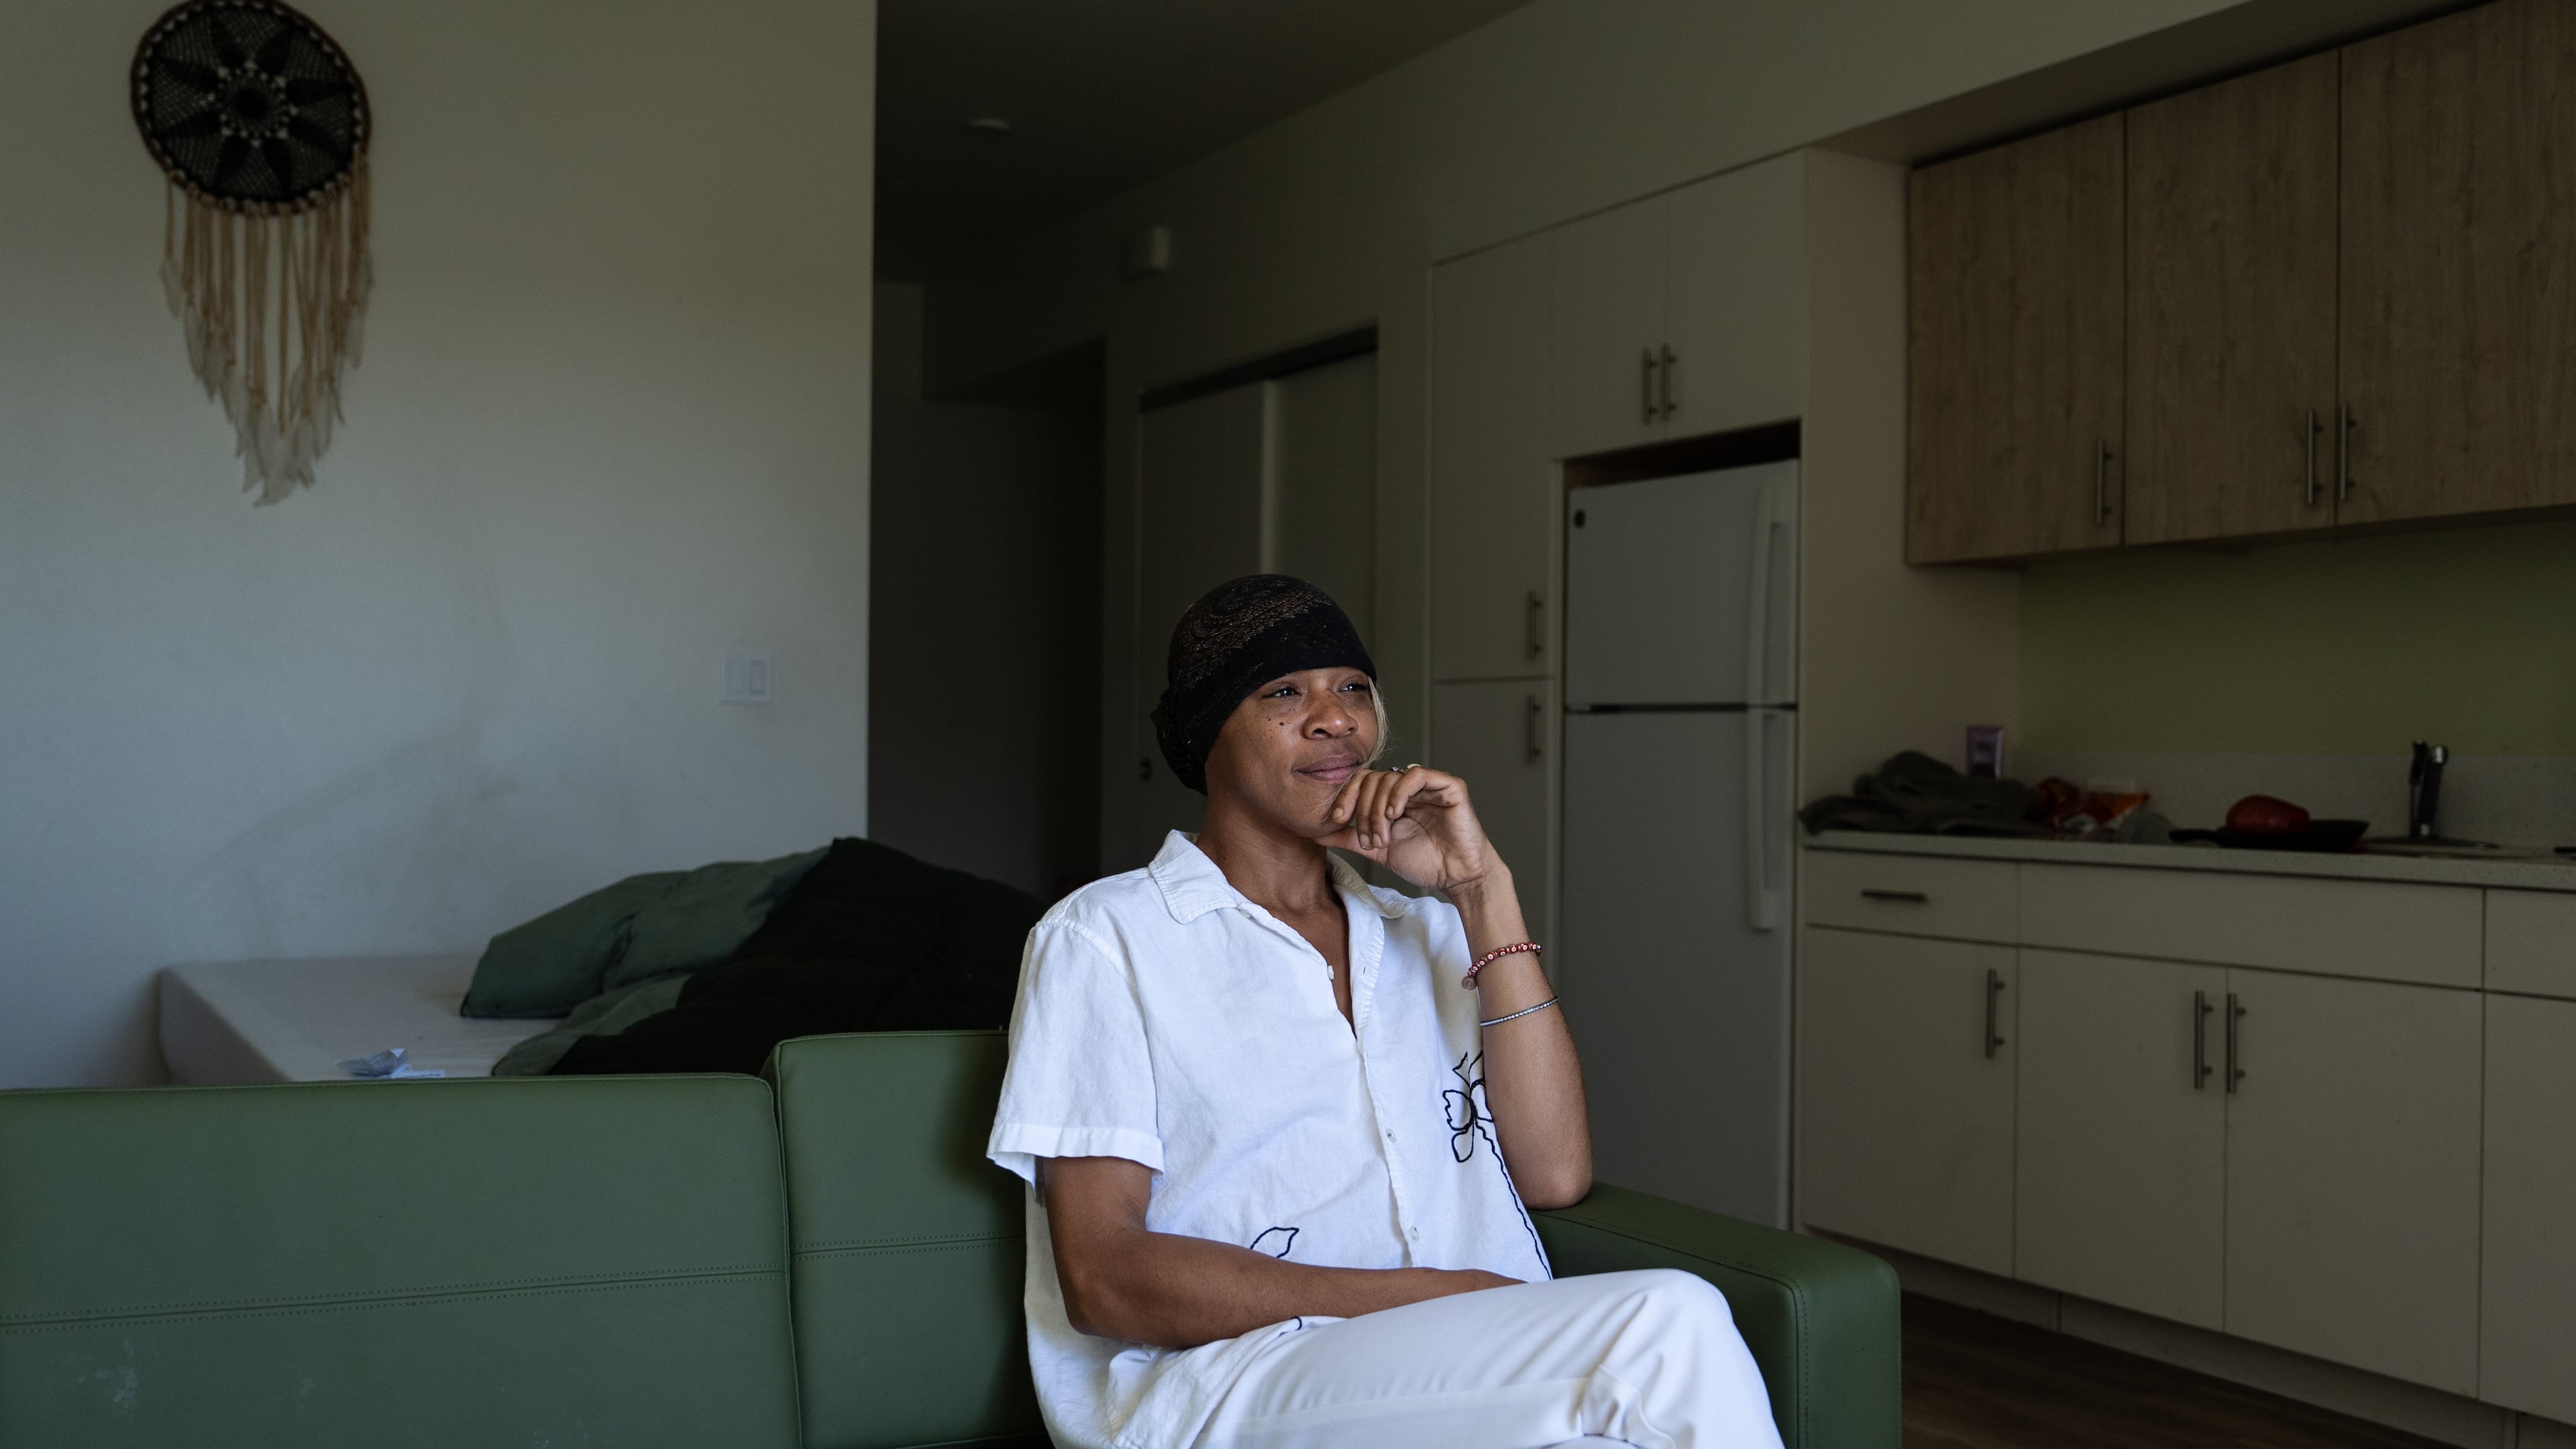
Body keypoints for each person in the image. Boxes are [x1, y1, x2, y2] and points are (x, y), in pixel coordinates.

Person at [987, 575, 1781, 1449]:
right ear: (1206, 732)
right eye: (1284, 692)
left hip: (1463, 1378)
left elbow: (1554, 1172)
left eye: (1353, 689)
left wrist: (1484, 891)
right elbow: (1105, 1278)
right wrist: (1423, 1298)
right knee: (1668, 1321)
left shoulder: (1429, 931)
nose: (1335, 719)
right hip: (1233, 1382)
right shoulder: (1107, 939)